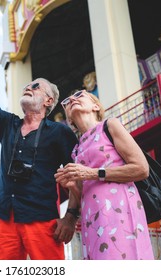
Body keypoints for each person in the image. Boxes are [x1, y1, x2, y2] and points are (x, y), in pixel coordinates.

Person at [0, 16, 79, 260]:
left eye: (36, 87)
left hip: (42, 219)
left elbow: (77, 175)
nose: (29, 87)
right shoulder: (8, 124)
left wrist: (71, 216)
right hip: (4, 214)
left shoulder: (59, 132)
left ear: (49, 101)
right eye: (27, 85)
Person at [55, 90, 155, 260]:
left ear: (95, 106)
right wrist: (73, 186)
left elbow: (141, 168)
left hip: (120, 213)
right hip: (92, 221)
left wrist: (91, 173)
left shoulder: (110, 126)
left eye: (79, 95)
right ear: (69, 118)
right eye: (68, 101)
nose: (72, 98)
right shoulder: (76, 150)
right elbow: (79, 197)